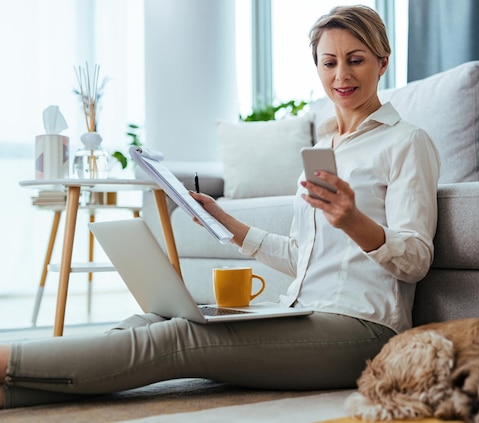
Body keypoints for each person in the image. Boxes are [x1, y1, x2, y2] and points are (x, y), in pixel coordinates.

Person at [0, 5, 440, 408]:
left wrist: (354, 221)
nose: (341, 74)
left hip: (362, 331)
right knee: (151, 318)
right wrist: (225, 221)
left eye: (356, 59)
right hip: (302, 311)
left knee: (179, 338)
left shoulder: (406, 143)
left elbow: (416, 259)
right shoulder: (324, 146)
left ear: (383, 62)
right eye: (329, 62)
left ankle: (6, 360)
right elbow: (299, 256)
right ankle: (13, 389)